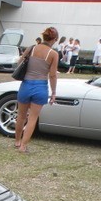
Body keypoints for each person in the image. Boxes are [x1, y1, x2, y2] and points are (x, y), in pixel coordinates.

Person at [14, 26, 59, 154]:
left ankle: (17, 141)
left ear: (44, 36)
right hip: (40, 86)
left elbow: (19, 63)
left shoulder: (31, 48)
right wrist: (54, 92)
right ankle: (23, 146)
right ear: (54, 39)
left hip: (26, 84)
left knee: (21, 115)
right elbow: (52, 75)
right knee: (33, 118)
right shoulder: (53, 54)